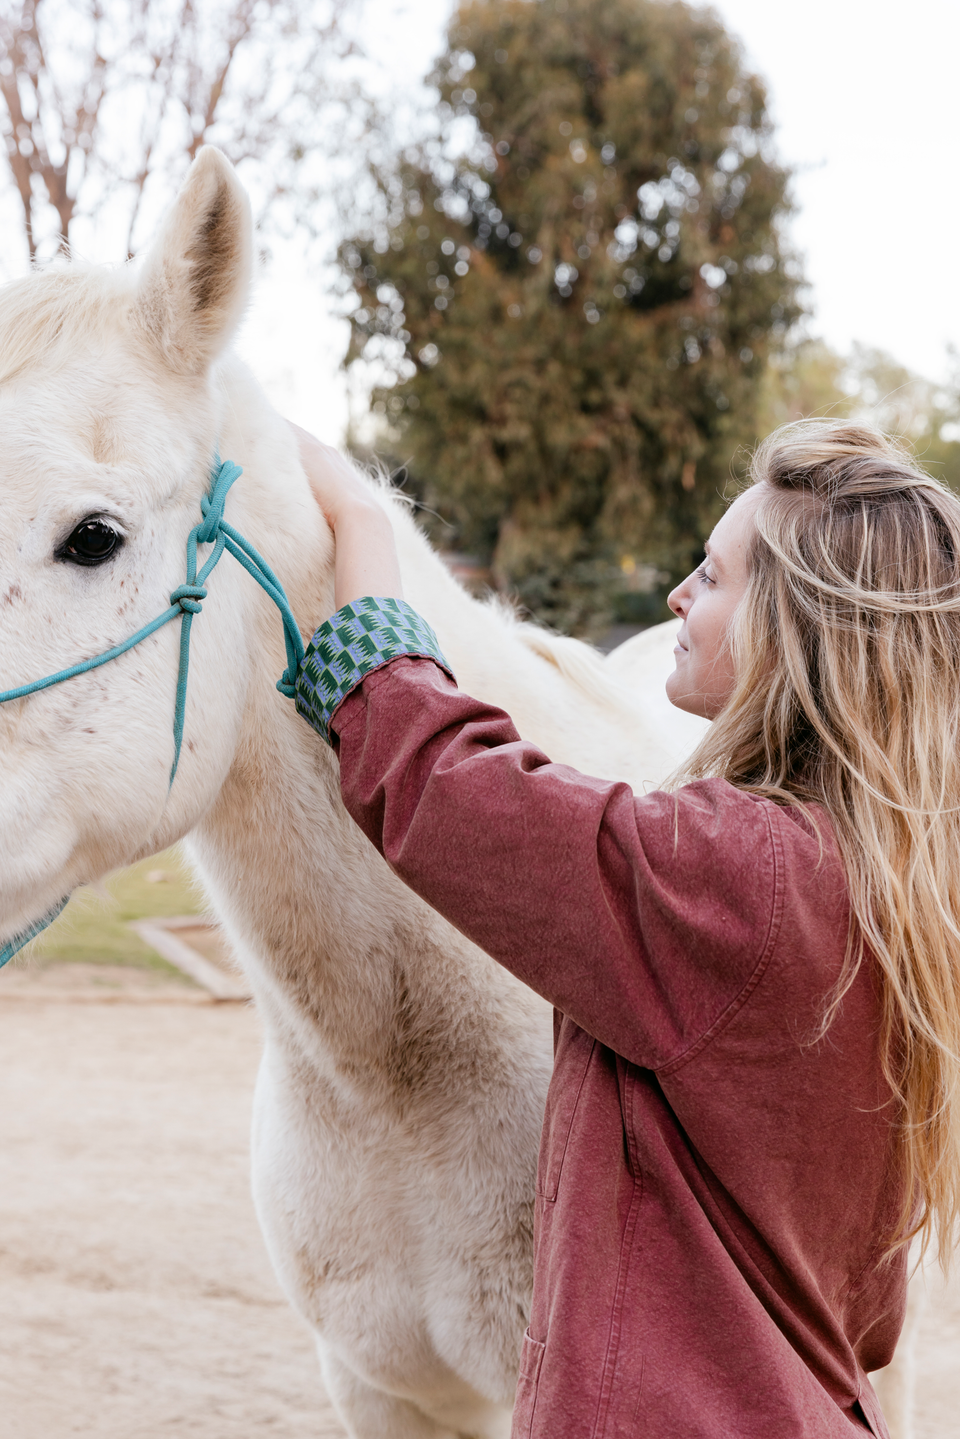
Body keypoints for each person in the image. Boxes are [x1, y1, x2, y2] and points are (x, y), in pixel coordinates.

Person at [289, 418, 960, 1438]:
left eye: (712, 573)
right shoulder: (897, 891)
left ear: (795, 626)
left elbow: (443, 788)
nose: (677, 597)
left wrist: (358, 524)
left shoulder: (739, 874)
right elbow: (868, 1311)